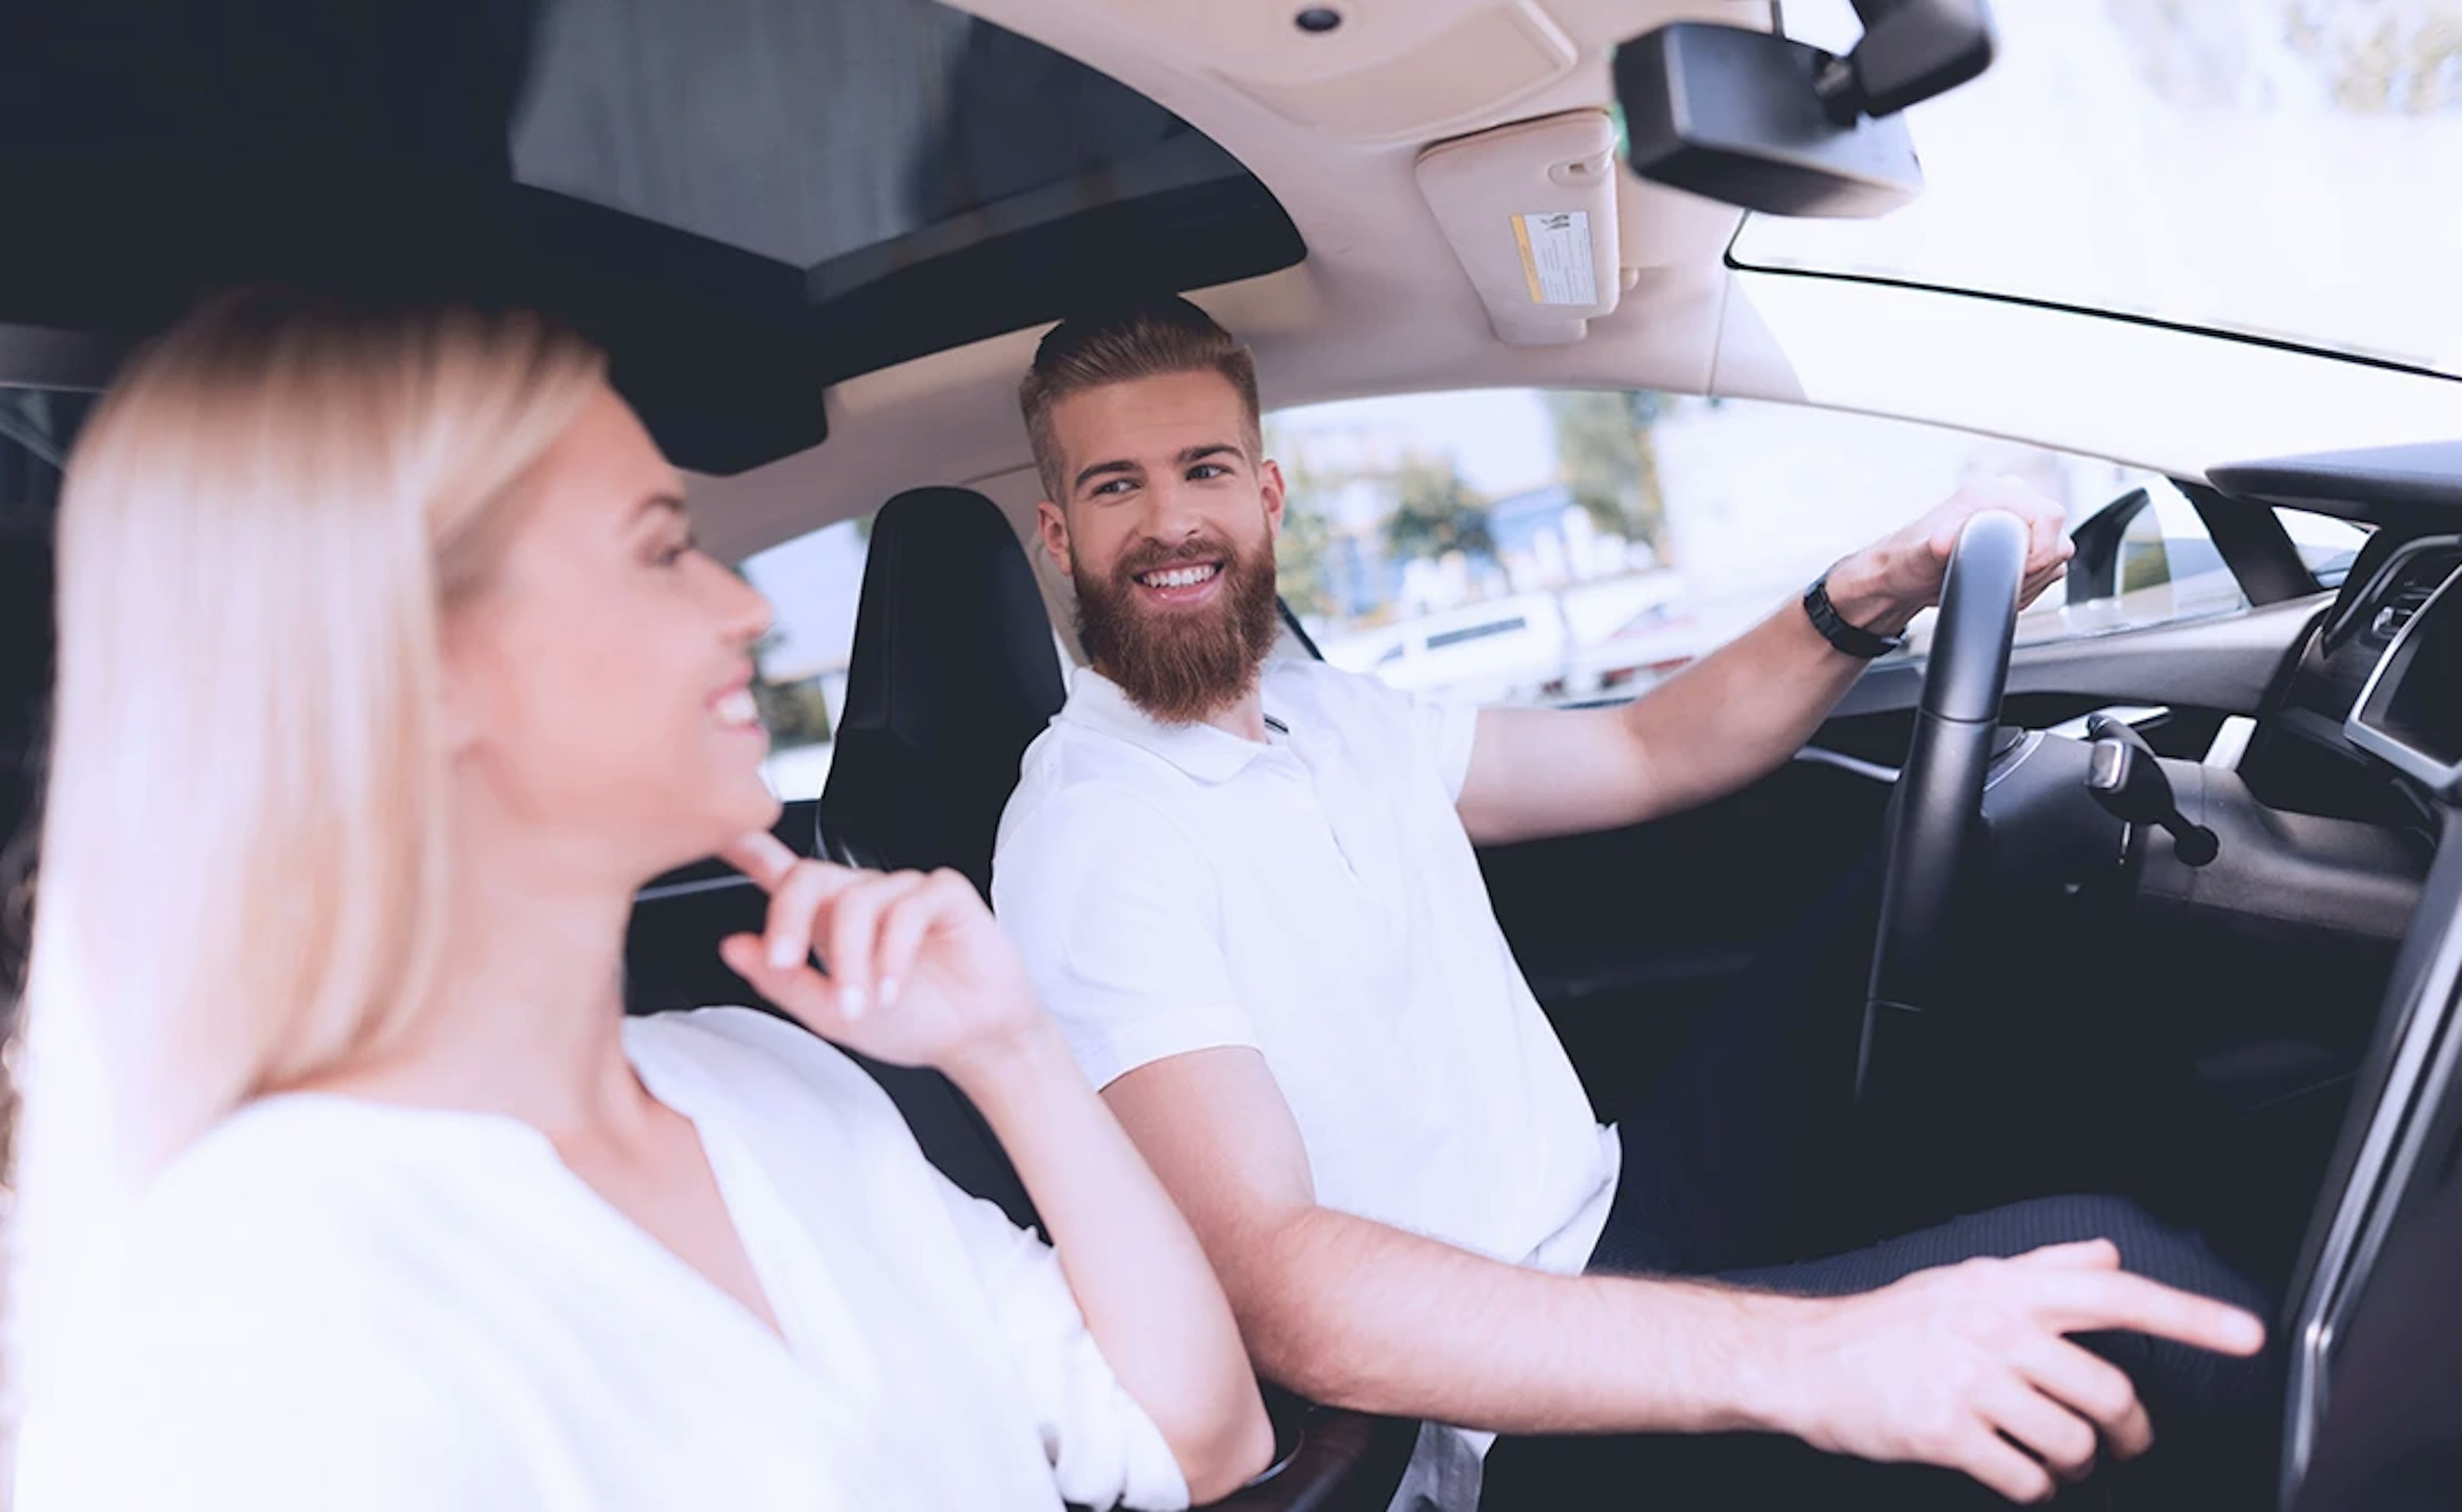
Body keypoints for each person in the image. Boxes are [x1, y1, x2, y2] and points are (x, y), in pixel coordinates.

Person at [990, 296, 2271, 1510]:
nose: (1172, 522)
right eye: (1118, 486)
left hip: (1617, 1202)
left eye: (1204, 470)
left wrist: (1873, 588)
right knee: (2111, 1294)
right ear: (1062, 537)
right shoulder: (1093, 831)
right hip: (1506, 1417)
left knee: (2017, 882)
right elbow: (1280, 1286)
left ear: (1263, 495)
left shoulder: (1328, 713)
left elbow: (1644, 751)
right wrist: (1816, 1355)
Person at [8, 292, 1273, 1511]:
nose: (747, 607)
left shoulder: (768, 1076)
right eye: (664, 551)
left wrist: (1011, 1052)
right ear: (419, 661)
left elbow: (1197, 1438)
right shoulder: (248, 1302)